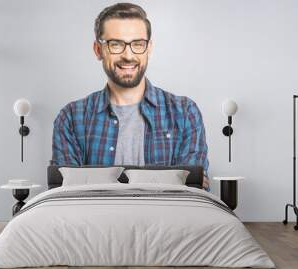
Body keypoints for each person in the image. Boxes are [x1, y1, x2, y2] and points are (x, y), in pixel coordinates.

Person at [52, 2, 210, 190]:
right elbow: (65, 195)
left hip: (168, 219)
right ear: (98, 50)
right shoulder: (71, 117)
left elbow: (192, 192)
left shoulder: (184, 113)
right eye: (116, 44)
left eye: (137, 44)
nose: (128, 55)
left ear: (149, 48)